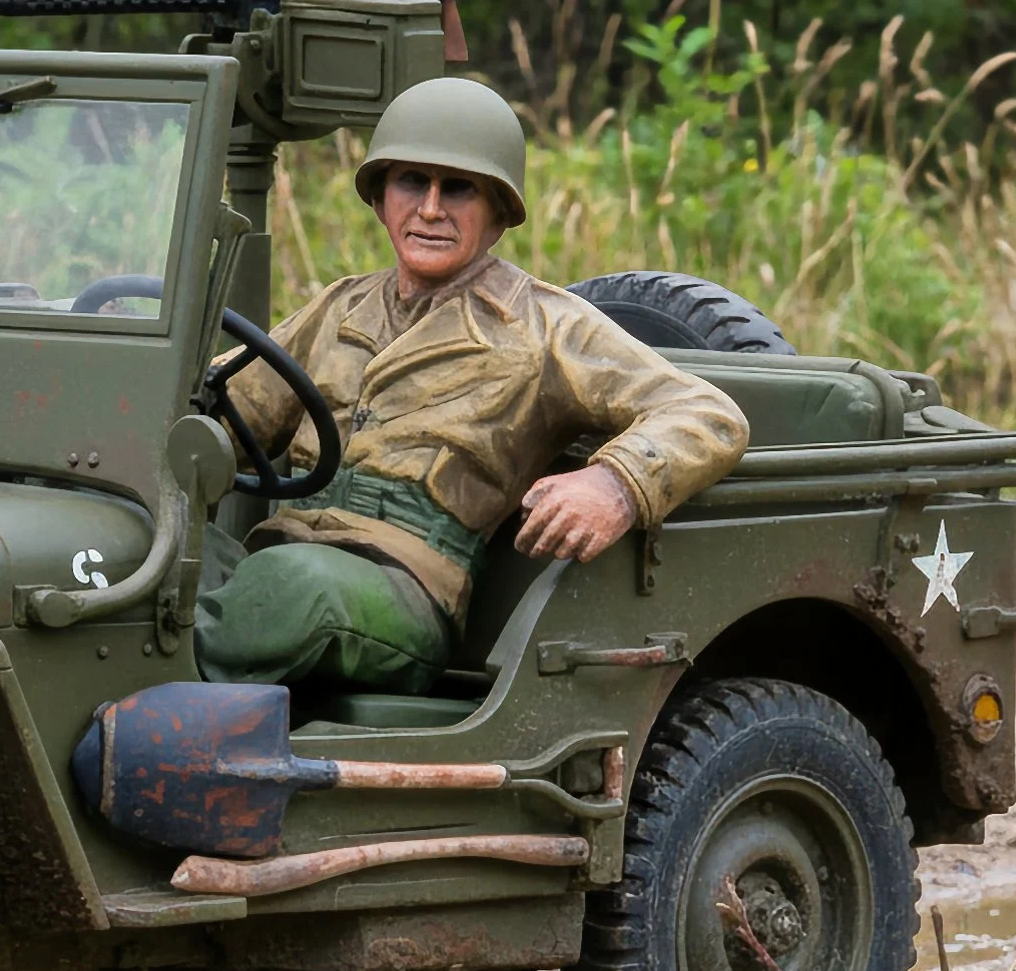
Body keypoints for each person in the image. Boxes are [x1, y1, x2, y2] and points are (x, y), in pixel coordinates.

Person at [194, 76, 750, 693]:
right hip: (279, 552)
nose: (431, 209)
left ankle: (145, 717)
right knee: (141, 554)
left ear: (498, 213)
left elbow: (707, 414)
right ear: (380, 199)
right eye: (412, 182)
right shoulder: (339, 307)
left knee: (290, 591)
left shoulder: (545, 326)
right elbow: (221, 411)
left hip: (402, 584)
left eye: (458, 188)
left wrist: (615, 483)